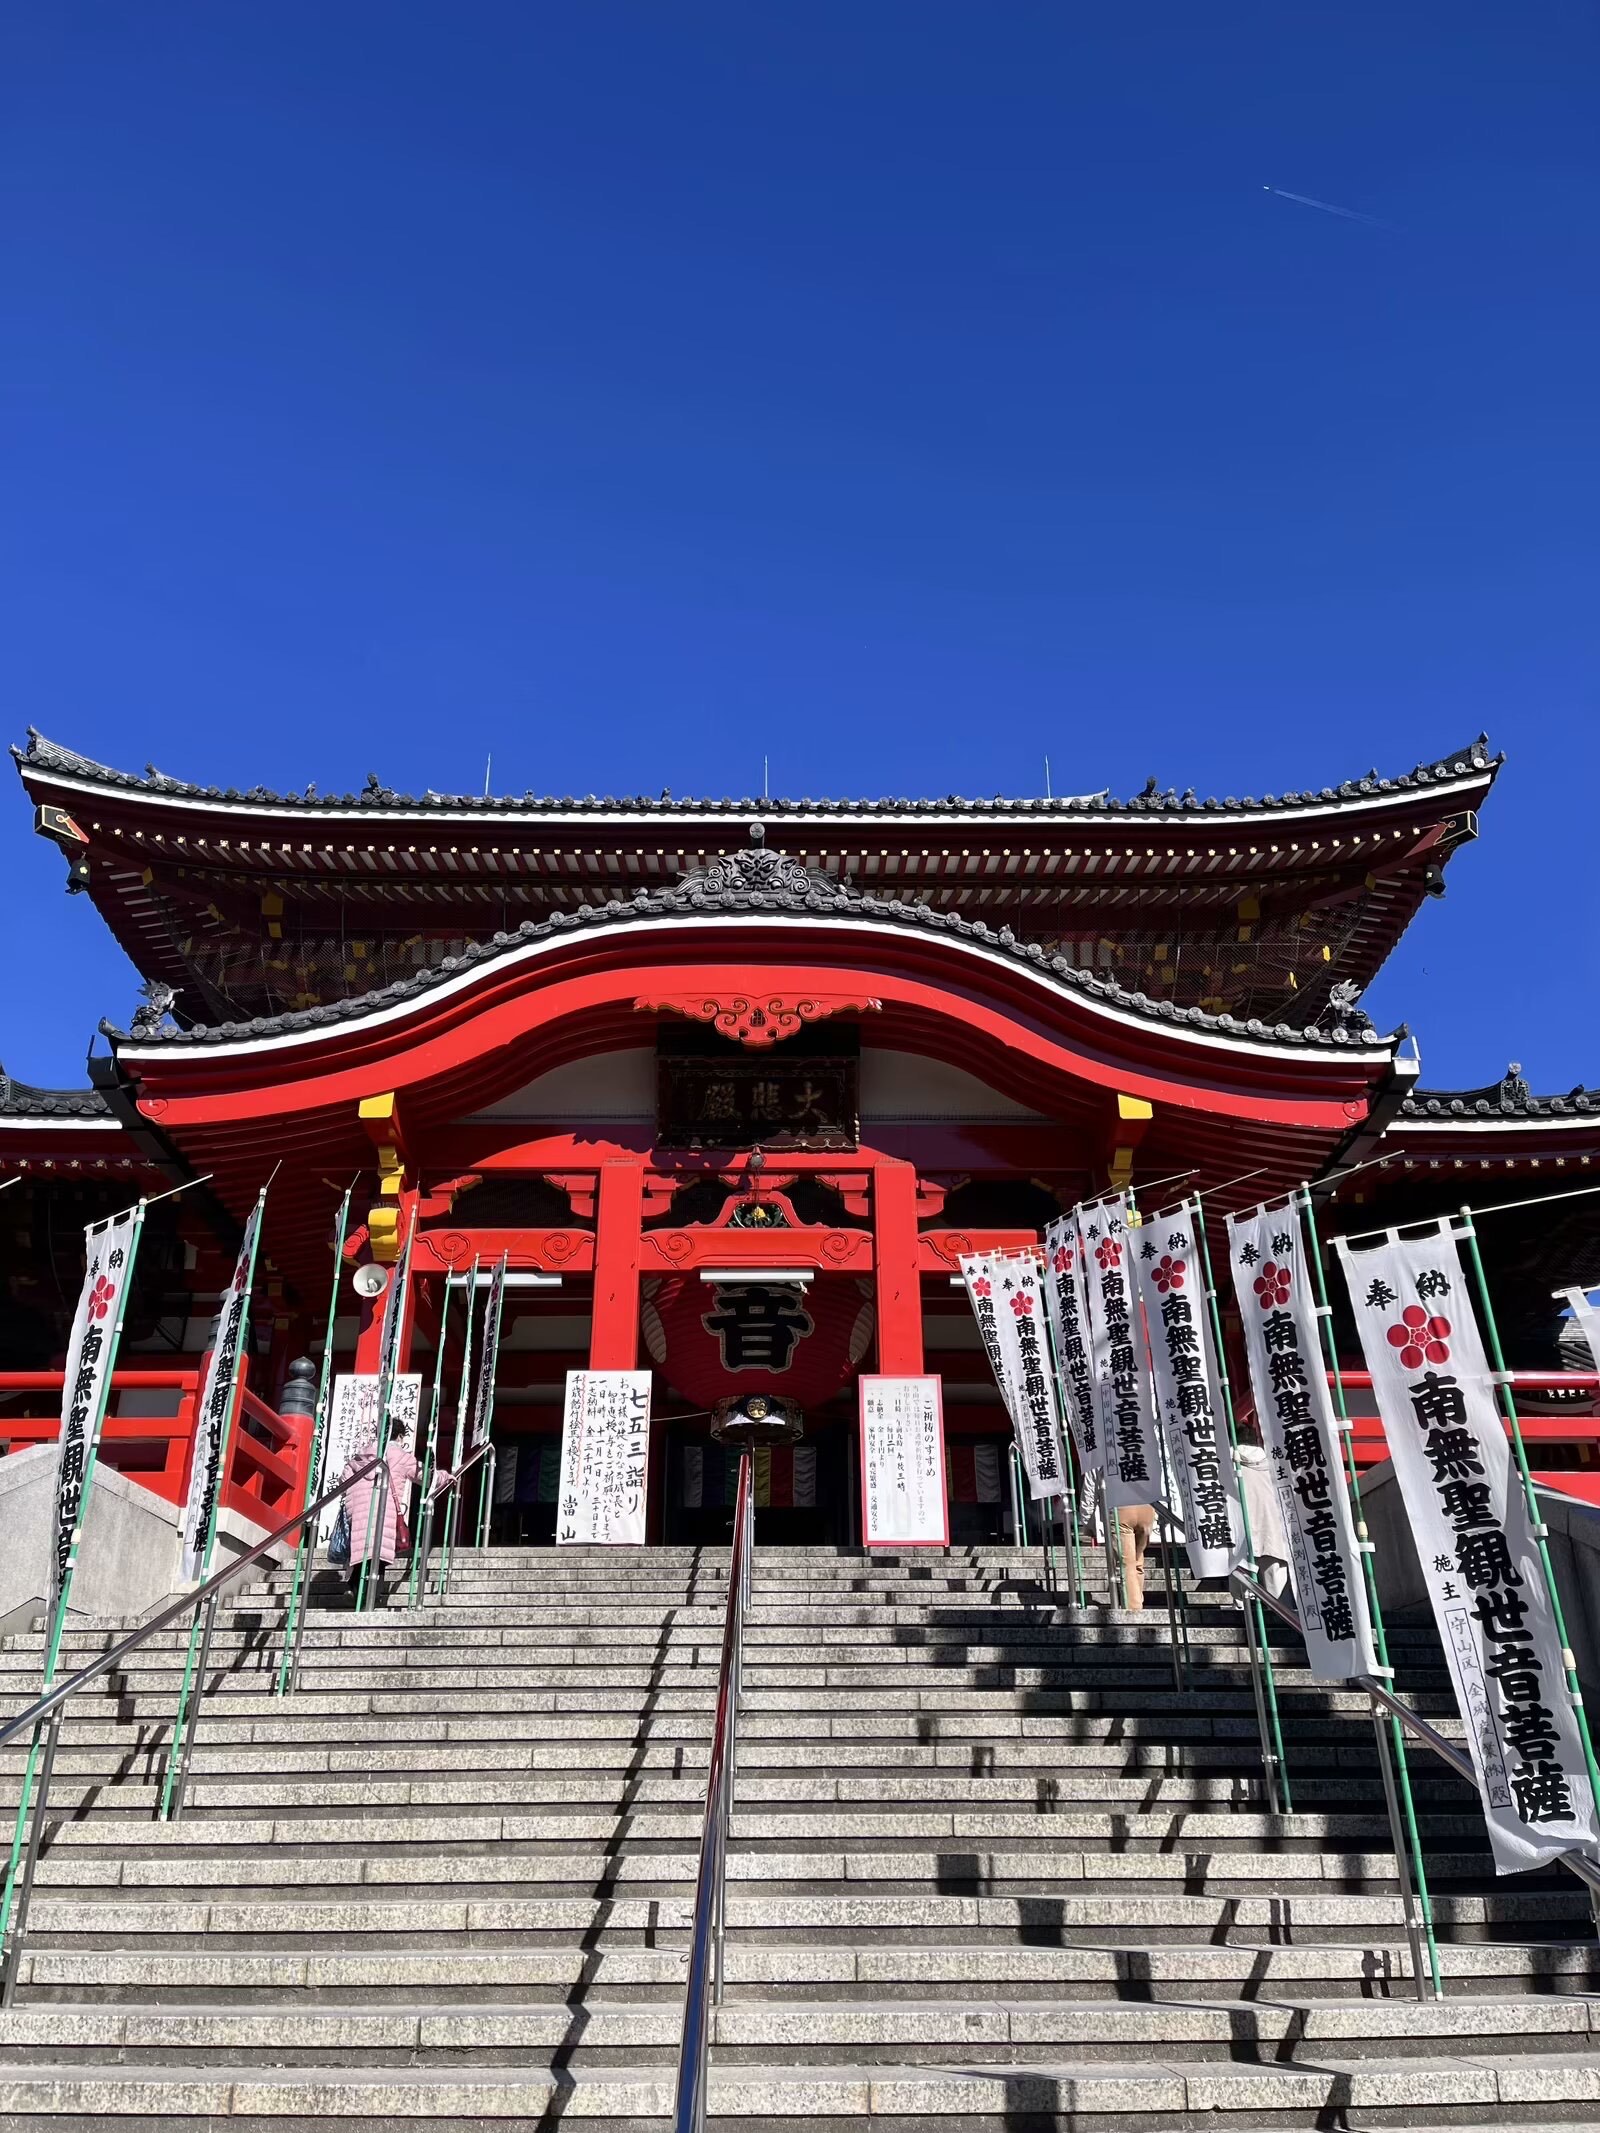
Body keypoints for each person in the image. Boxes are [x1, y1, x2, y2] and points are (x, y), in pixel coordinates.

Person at [339, 1416, 419, 1603]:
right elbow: (422, 1473)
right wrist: (446, 1477)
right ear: (399, 1436)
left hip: (358, 1513)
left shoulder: (362, 1454)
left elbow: (343, 1480)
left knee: (362, 1550)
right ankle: (371, 1598)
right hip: (384, 1511)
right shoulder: (399, 1455)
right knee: (378, 1554)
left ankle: (354, 1588)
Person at [1234, 1442, 1291, 1597]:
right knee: (1276, 1589)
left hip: (1243, 1531)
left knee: (1241, 1581)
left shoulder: (1233, 1466)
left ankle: (1242, 1609)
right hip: (1273, 1531)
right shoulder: (1274, 1464)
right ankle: (1280, 1615)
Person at [1116, 1501, 1155, 1610]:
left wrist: (1088, 1522)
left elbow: (1090, 1489)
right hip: (1147, 1506)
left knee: (1128, 1564)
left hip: (1120, 1506)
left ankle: (1134, 1610)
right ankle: (1138, 1598)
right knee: (1137, 1560)